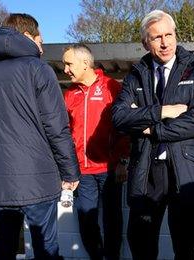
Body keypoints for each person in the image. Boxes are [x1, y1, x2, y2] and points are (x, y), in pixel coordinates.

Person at [0, 13, 80, 259]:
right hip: (39, 180)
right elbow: (56, 126)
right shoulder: (38, 69)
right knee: (46, 250)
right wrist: (70, 172)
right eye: (40, 40)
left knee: (3, 251)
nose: (41, 46)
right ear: (28, 36)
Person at [111, 9, 194, 259]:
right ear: (145, 42)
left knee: (185, 247)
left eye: (169, 34)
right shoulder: (135, 75)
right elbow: (119, 118)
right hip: (147, 170)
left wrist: (150, 128)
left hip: (186, 170)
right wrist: (163, 111)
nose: (165, 42)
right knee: (141, 244)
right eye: (157, 37)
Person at [62, 44, 127, 260]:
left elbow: (125, 127)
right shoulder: (69, 95)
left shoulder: (112, 87)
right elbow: (64, 134)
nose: (65, 70)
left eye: (68, 64)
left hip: (109, 169)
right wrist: (68, 169)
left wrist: (122, 161)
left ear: (85, 63)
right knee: (86, 221)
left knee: (112, 221)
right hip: (82, 172)